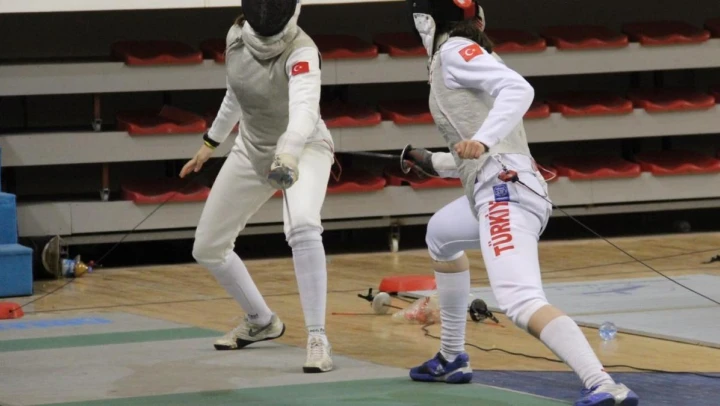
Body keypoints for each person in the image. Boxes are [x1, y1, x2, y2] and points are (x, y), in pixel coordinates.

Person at [402, 1, 639, 404]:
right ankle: (451, 357)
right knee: (440, 234)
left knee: (520, 300)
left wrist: (483, 140)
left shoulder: (454, 51)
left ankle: (603, 385)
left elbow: (518, 89)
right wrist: (433, 162)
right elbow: (480, 150)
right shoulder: (461, 55)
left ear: (425, 21)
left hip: (503, 193)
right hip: (497, 186)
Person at [180, 0, 334, 373]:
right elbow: (236, 92)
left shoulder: (302, 51)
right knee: (208, 247)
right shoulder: (236, 37)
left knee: (303, 226)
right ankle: (261, 320)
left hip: (303, 149)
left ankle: (317, 336)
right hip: (251, 150)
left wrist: (289, 152)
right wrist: (211, 143)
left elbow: (304, 110)